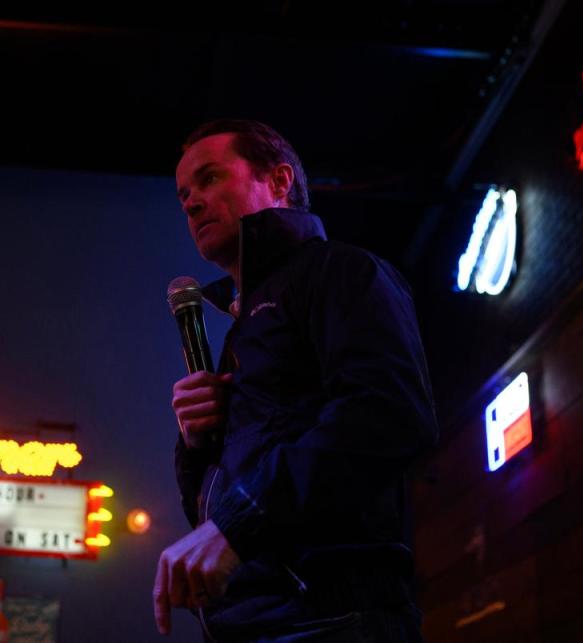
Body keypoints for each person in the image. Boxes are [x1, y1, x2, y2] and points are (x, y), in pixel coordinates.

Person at [152, 119, 438, 642]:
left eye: (210, 178)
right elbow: (214, 510)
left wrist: (239, 524)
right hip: (253, 622)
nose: (191, 202)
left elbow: (387, 413)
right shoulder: (243, 330)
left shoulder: (343, 274)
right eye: (183, 194)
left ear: (279, 181)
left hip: (328, 619)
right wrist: (197, 444)